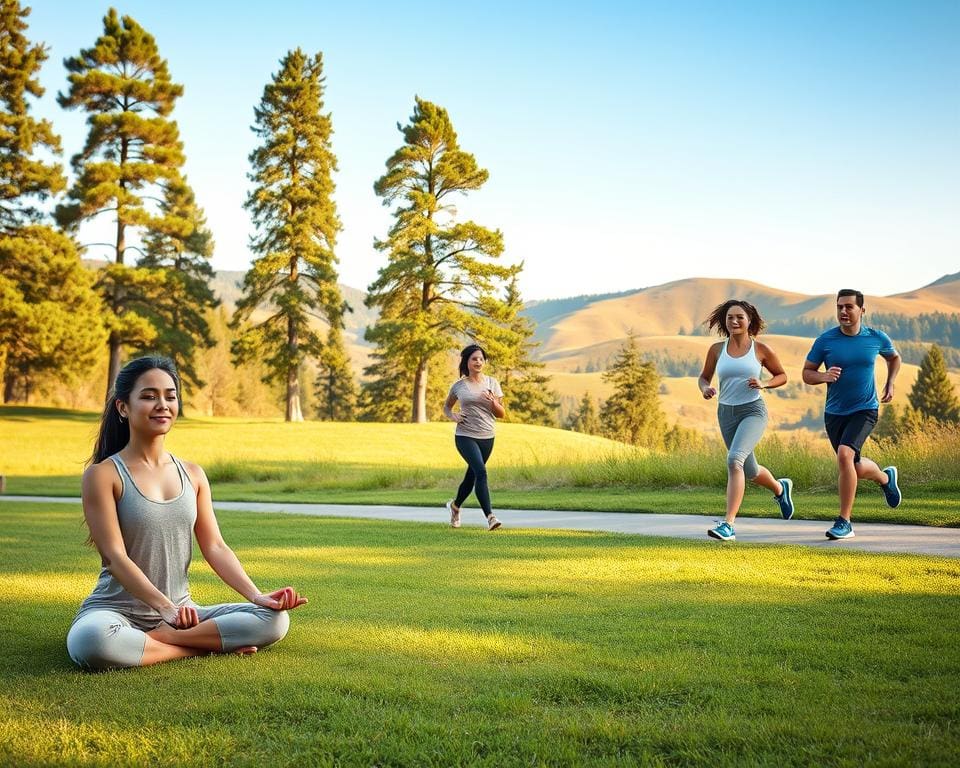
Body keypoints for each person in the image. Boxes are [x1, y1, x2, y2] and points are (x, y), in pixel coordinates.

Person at [66, 356, 307, 671]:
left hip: (183, 613)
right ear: (123, 407)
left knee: (275, 621)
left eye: (170, 395)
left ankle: (157, 642)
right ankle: (192, 647)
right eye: (149, 396)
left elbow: (216, 547)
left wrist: (257, 596)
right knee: (92, 643)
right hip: (116, 612)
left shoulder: (193, 474)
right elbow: (114, 556)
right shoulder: (103, 475)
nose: (162, 404)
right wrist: (165, 609)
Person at [803, 289, 902, 540]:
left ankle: (844, 522)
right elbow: (807, 372)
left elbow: (894, 358)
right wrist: (823, 376)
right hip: (834, 412)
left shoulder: (875, 338)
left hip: (865, 409)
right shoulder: (826, 341)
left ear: (862, 310)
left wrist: (890, 383)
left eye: (849, 307)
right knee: (853, 465)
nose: (843, 312)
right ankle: (884, 478)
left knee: (845, 456)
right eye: (839, 307)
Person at [698, 299, 795, 541]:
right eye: (730, 317)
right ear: (725, 321)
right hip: (726, 413)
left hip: (753, 411)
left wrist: (765, 383)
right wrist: (705, 389)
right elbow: (704, 378)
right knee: (749, 470)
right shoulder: (716, 350)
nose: (734, 321)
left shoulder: (760, 349)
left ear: (749, 320)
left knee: (734, 461)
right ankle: (781, 489)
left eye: (739, 317)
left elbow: (782, 376)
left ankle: (728, 524)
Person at [442, 344, 506, 530]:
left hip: (487, 436)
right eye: (474, 359)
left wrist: (493, 402)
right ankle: (491, 517)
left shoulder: (492, 383)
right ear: (467, 362)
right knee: (481, 472)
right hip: (465, 436)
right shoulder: (459, 386)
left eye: (481, 359)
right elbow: (447, 407)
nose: (478, 362)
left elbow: (501, 413)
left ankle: (455, 507)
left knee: (472, 477)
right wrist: (453, 416)